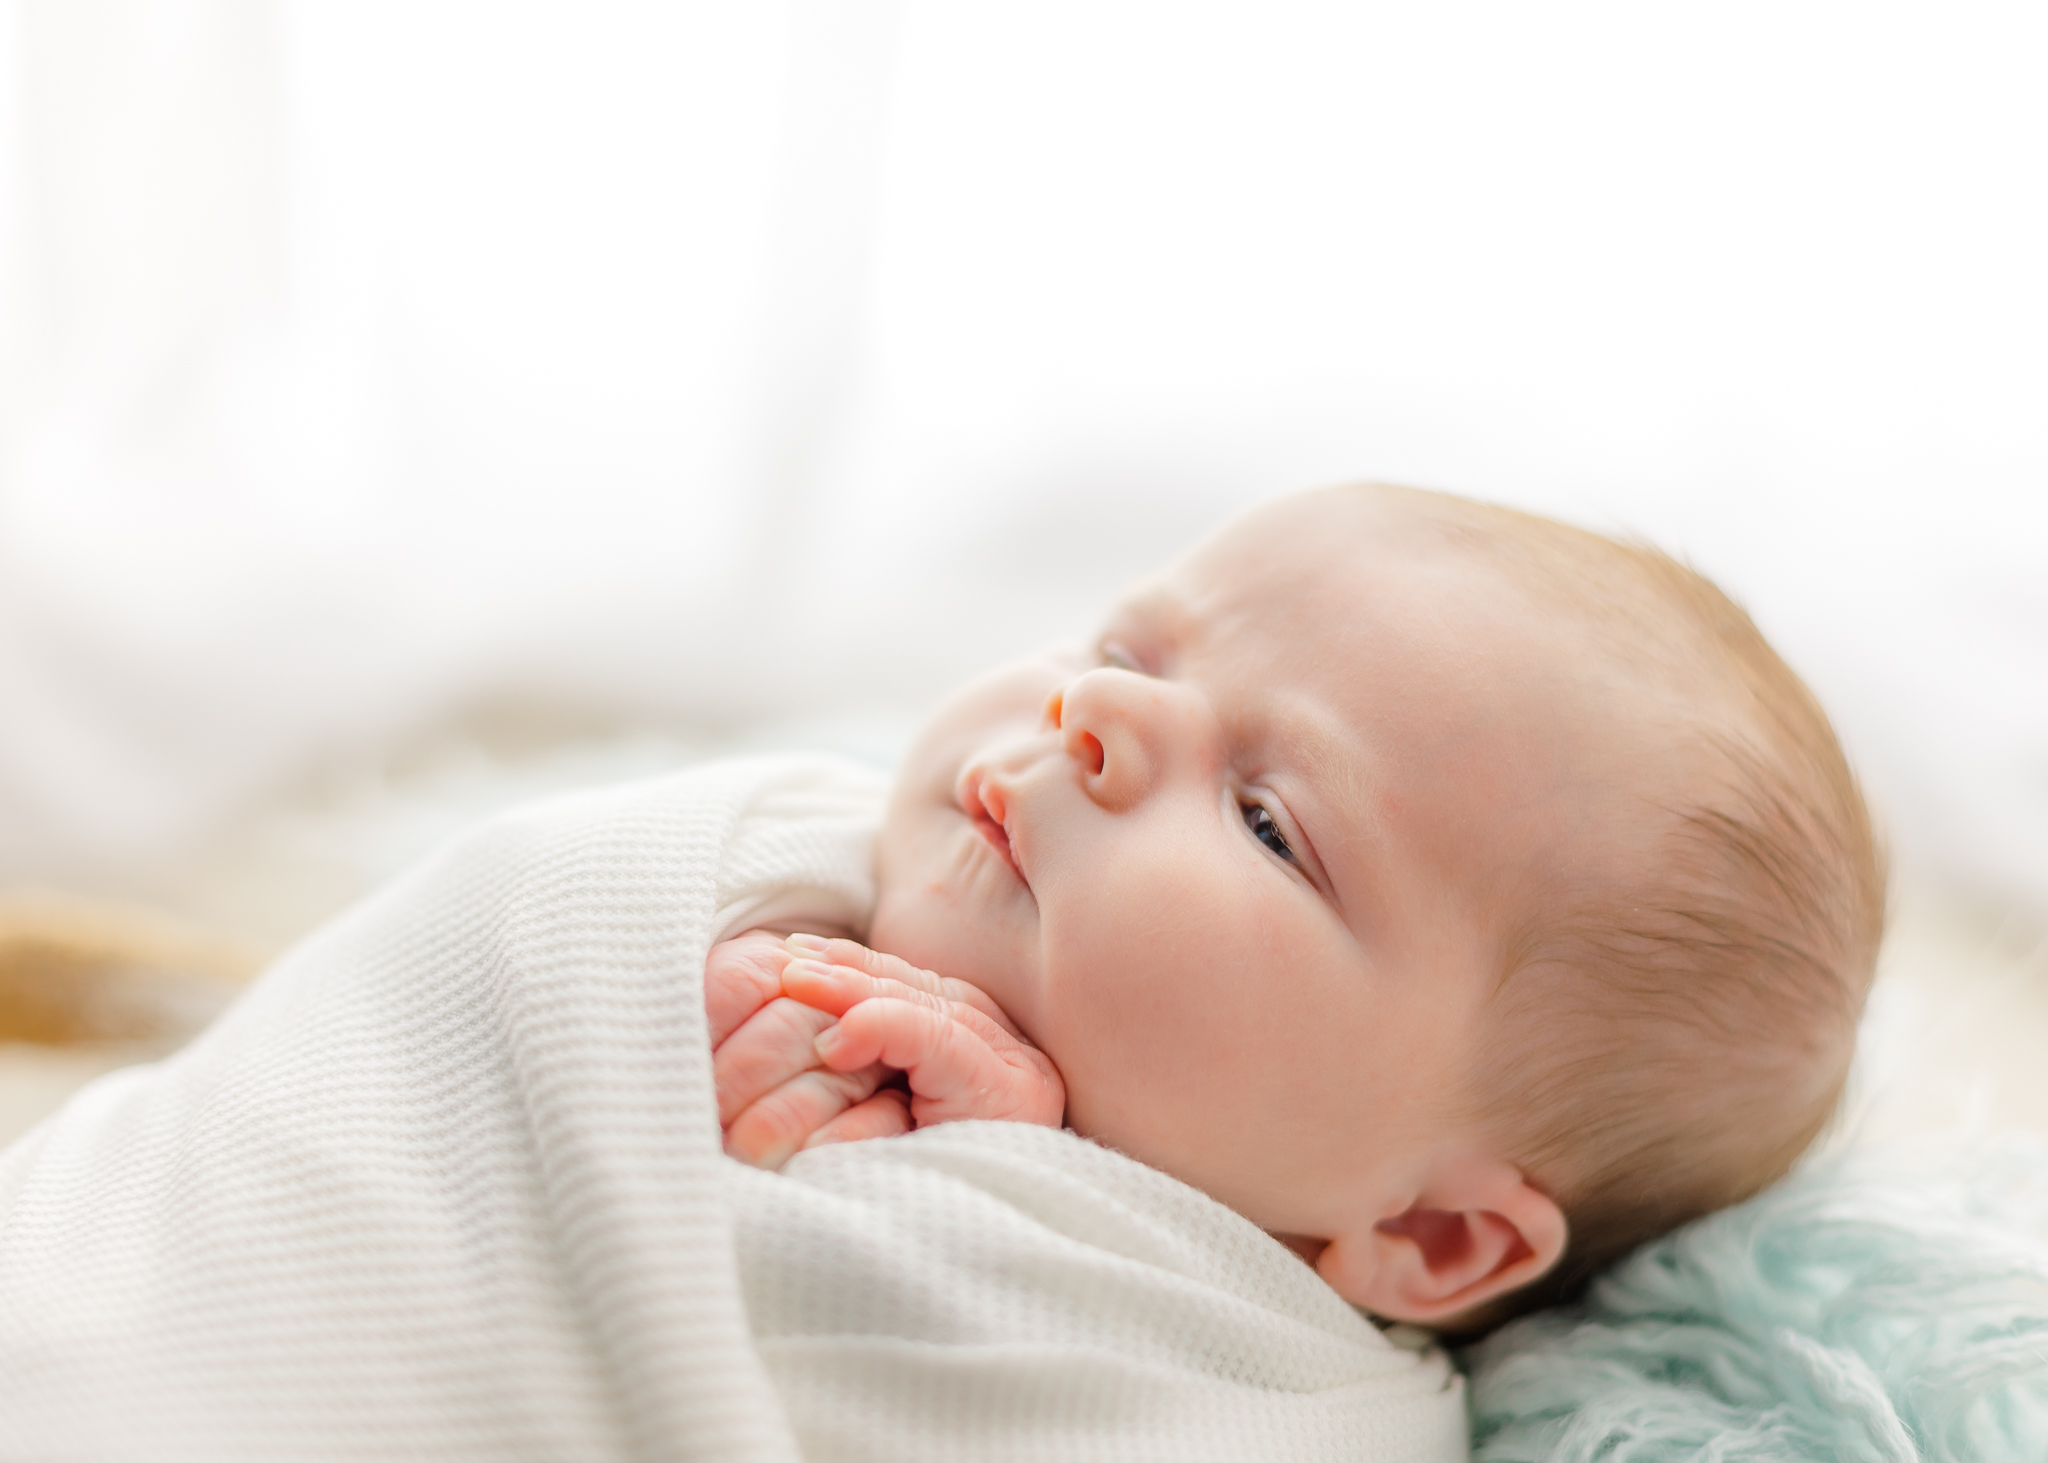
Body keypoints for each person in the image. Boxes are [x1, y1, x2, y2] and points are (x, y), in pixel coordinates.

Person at [706, 482, 1885, 1332]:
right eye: (1129, 648)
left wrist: (997, 1186)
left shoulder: (1266, 1391)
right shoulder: (796, 822)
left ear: (1427, 1234)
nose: (1099, 707)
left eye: (1267, 823)